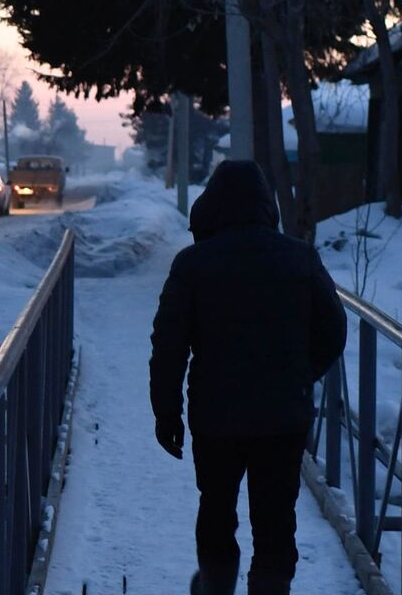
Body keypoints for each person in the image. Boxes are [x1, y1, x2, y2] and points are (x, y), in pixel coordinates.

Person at [149, 159, 348, 595]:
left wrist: (167, 414)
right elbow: (333, 331)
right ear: (266, 205)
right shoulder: (299, 258)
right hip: (282, 418)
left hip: (215, 417)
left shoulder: (193, 264)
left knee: (216, 509)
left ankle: (217, 585)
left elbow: (168, 346)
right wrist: (299, 375)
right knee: (276, 519)